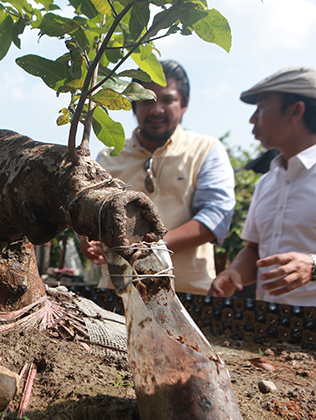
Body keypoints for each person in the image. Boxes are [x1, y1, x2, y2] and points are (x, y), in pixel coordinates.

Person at [81, 60, 236, 295]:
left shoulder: (205, 150)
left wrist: (149, 248)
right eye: (146, 100)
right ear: (132, 105)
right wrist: (88, 238)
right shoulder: (109, 155)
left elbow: (216, 217)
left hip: (186, 293)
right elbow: (89, 213)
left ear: (184, 104)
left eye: (168, 100)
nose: (156, 109)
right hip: (121, 294)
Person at [209, 66, 316, 309]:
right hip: (270, 332)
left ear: (295, 110)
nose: (252, 119)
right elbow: (255, 250)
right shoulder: (268, 181)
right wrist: (234, 272)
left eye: (262, 107)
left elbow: (314, 267)